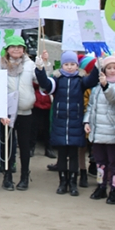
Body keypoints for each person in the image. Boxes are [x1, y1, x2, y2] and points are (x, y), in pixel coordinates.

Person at [36, 50, 99, 196]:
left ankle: (73, 182)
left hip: (76, 122)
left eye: (72, 64)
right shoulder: (57, 79)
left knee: (74, 155)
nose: (69, 67)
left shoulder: (81, 79)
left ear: (77, 66)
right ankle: (62, 182)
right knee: (62, 155)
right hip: (60, 122)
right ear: (62, 65)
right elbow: (46, 84)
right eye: (66, 64)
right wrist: (40, 70)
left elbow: (92, 81)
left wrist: (97, 67)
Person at [0, 36, 36, 191]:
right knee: (7, 144)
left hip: (25, 111)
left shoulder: (31, 65)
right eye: (12, 46)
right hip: (6, 112)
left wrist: (44, 66)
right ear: (7, 49)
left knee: (24, 145)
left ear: (24, 50)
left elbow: (43, 82)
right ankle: (7, 176)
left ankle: (25, 176)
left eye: (19, 47)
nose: (16, 49)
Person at [85, 55, 115, 204]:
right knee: (100, 161)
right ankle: (101, 186)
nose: (112, 70)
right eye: (109, 68)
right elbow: (91, 106)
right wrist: (87, 121)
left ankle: (114, 189)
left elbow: (114, 98)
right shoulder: (96, 86)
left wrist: (106, 86)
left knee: (114, 162)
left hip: (112, 129)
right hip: (97, 130)